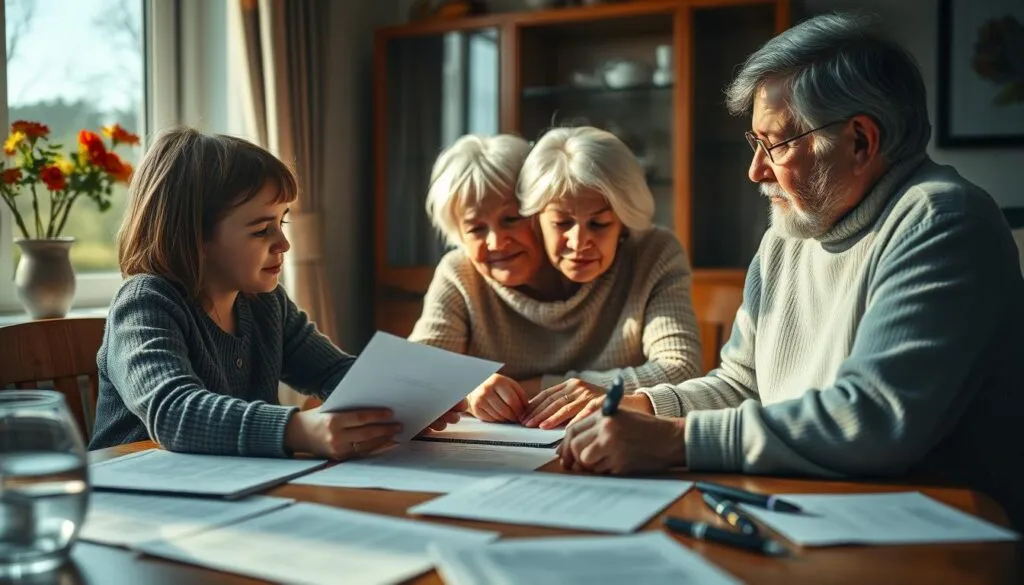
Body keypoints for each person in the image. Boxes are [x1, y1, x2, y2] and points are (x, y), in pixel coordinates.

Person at [556, 14, 1024, 529]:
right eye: (755, 144)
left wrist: (674, 440)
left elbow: (870, 418)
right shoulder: (789, 233)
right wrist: (651, 406)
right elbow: (743, 385)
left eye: (774, 144)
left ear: (861, 142)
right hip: (817, 510)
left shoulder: (942, 220)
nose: (755, 171)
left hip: (938, 532)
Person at [89, 127, 463, 458]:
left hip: (226, 494)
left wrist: (405, 401)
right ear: (194, 236)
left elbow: (333, 371)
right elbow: (175, 412)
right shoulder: (145, 303)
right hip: (131, 500)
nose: (283, 243)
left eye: (281, 222)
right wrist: (297, 430)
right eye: (260, 230)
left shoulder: (265, 302)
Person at [410, 130, 702, 428]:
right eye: (475, 229)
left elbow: (681, 370)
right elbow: (415, 373)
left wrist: (530, 390)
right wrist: (469, 391)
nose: (496, 242)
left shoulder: (648, 255)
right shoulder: (460, 272)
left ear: (535, 210)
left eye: (511, 219)